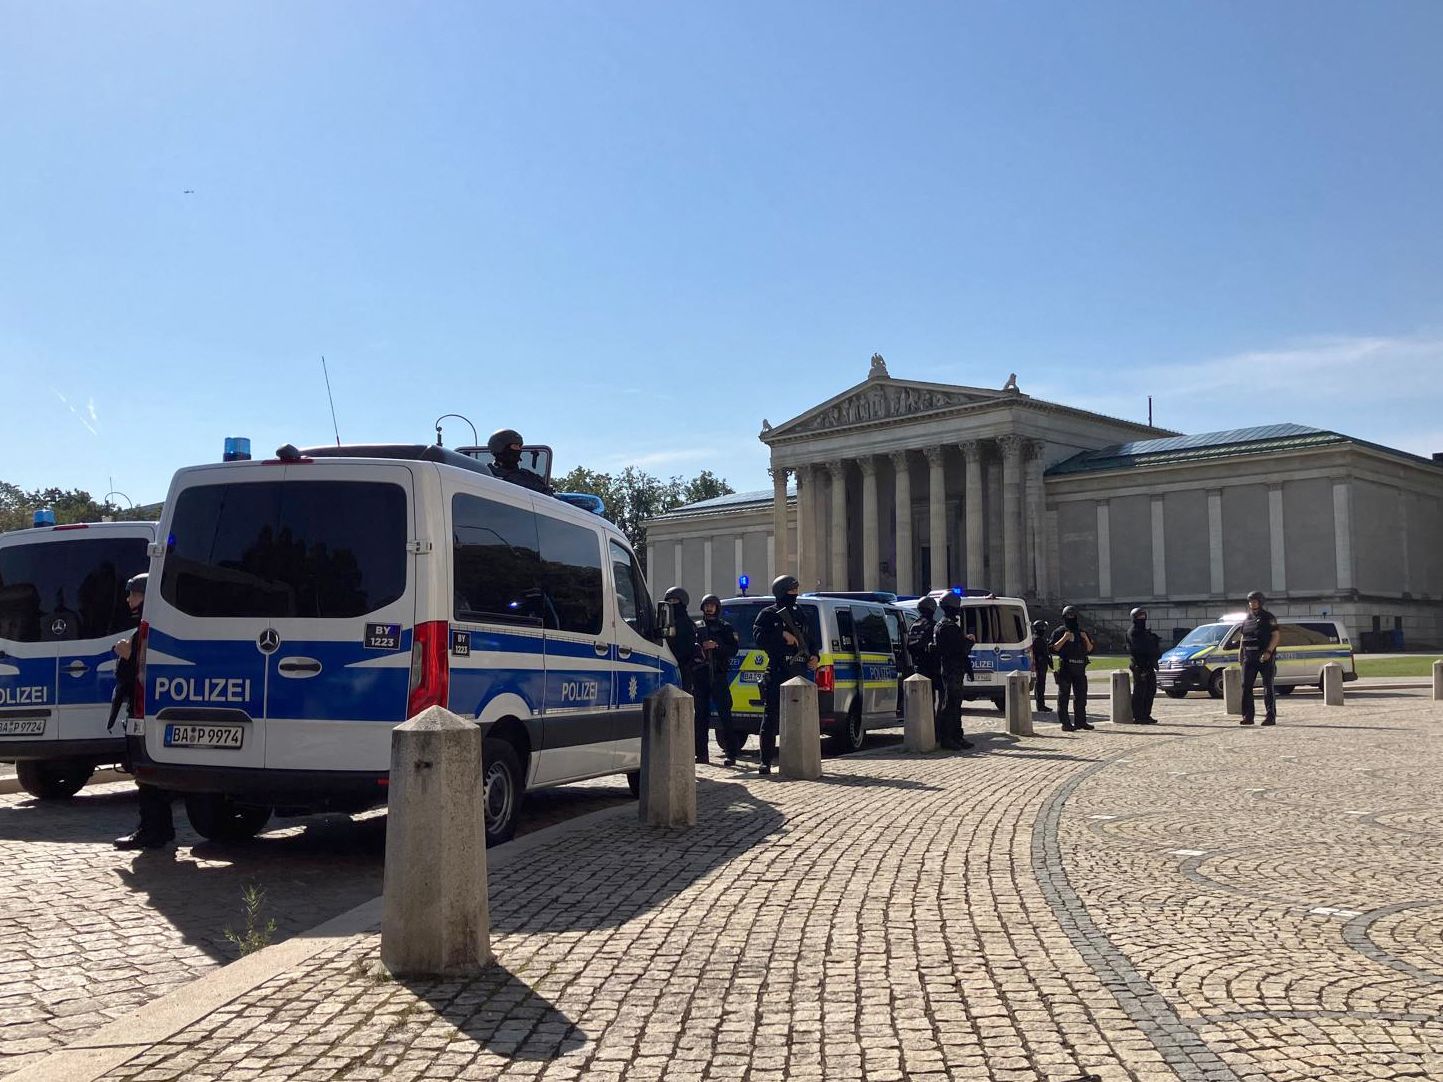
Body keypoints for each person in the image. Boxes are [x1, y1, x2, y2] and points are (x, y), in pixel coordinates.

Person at [111, 575, 176, 851]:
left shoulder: (148, 632)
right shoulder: (143, 630)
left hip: (145, 712)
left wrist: (127, 655)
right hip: (142, 711)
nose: (129, 600)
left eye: (134, 595)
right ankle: (157, 828)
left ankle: (152, 830)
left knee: (147, 775)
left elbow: (142, 673)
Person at [752, 575, 818, 775]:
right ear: (781, 592)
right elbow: (759, 637)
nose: (794, 595)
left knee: (801, 719)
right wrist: (781, 635)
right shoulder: (768, 614)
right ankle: (765, 761)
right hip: (779, 668)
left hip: (799, 671)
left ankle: (799, 759)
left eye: (796, 592)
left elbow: (810, 639)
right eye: (791, 592)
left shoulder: (800, 614)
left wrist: (815, 656)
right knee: (771, 717)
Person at [692, 595, 739, 765]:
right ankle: (701, 754)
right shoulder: (697, 627)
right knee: (700, 716)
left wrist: (716, 646)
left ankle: (731, 753)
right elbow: (690, 648)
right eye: (707, 606)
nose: (709, 608)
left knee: (725, 715)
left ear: (717, 608)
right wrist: (699, 650)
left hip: (718, 675)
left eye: (712, 606)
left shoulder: (725, 628)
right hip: (701, 675)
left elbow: (733, 649)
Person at [932, 593, 976, 751]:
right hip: (952, 670)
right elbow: (959, 650)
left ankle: (957, 736)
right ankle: (948, 737)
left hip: (951, 669)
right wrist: (969, 641)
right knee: (951, 705)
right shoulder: (949, 627)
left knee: (955, 705)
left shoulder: (942, 625)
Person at [1238, 589, 1280, 726]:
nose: (1252, 604)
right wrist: (1240, 654)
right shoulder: (1246, 619)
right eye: (1250, 602)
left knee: (1268, 686)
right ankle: (1248, 716)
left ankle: (1270, 717)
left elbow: (1275, 636)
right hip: (1249, 657)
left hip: (1264, 657)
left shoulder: (1269, 617)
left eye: (1254, 601)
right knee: (1246, 687)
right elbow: (1243, 637)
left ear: (1260, 602)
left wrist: (1268, 651)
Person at [1050, 605, 1094, 732]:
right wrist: (1064, 638)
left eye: (1073, 615)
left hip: (1080, 668)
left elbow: (1090, 649)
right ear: (1064, 617)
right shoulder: (1059, 631)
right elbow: (1053, 649)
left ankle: (1081, 721)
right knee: (1064, 697)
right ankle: (1066, 723)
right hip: (1066, 668)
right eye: (1069, 616)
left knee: (1081, 697)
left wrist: (1085, 638)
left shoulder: (1082, 632)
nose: (1071, 618)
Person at [484, 428, 554, 495]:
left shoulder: (529, 477)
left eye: (520, 446)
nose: (519, 450)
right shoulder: (485, 472)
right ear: (500, 447)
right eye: (515, 446)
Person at [906, 596, 942, 713]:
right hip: (932, 669)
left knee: (919, 701)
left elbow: (909, 646)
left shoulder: (914, 625)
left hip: (917, 667)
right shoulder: (932, 625)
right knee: (932, 700)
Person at [1126, 606, 1161, 724]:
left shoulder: (1144, 632)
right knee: (1140, 691)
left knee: (1151, 690)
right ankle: (1138, 715)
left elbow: (1151, 646)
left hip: (1148, 664)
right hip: (1139, 665)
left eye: (1143, 616)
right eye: (1139, 616)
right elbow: (1140, 648)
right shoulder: (1133, 632)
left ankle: (1146, 714)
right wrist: (1151, 643)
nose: (1142, 618)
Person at [663, 587, 699, 695]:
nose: (672, 604)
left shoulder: (687, 624)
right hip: (666, 664)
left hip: (683, 668)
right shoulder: (664, 621)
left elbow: (688, 648)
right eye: (669, 601)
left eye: (675, 601)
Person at [1028, 619, 1053, 714]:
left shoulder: (1034, 638)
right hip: (1040, 664)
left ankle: (1040, 704)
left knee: (1039, 685)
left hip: (1038, 664)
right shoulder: (1039, 640)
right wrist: (1050, 664)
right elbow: (1045, 653)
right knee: (1040, 686)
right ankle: (1041, 705)